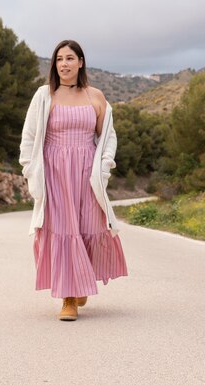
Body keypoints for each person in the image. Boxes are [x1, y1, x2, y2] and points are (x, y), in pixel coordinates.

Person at [19, 39, 128, 321]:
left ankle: (81, 281)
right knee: (64, 228)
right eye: (59, 59)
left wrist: (104, 167)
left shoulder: (96, 97)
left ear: (81, 62)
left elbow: (108, 137)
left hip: (87, 172)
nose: (64, 64)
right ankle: (68, 298)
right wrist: (30, 170)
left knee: (90, 227)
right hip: (55, 172)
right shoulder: (44, 95)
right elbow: (30, 137)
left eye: (69, 58)